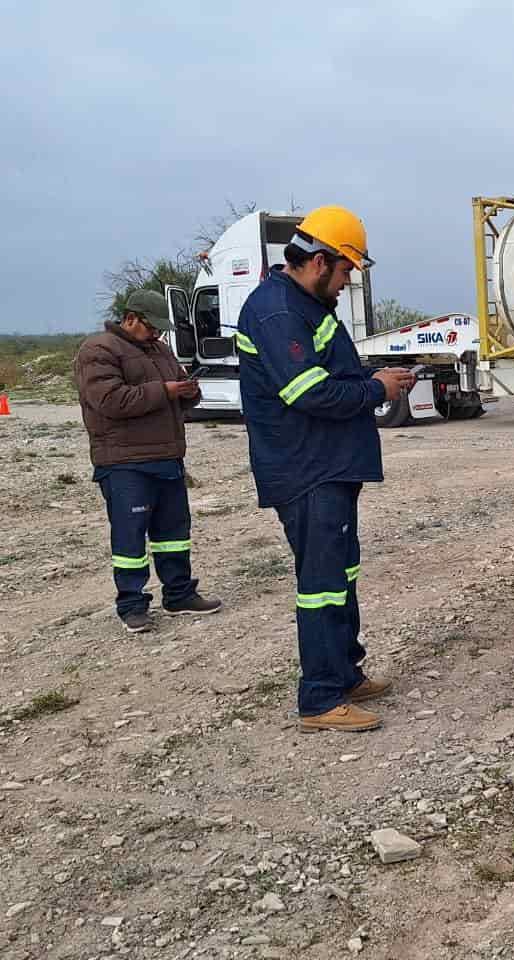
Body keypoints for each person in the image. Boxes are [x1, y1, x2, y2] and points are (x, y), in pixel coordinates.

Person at [236, 206, 415, 734]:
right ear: (318, 262)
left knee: (341, 577)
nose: (346, 283)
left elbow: (329, 372)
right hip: (305, 470)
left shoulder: (305, 306)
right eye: (344, 272)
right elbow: (305, 391)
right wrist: (375, 389)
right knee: (320, 584)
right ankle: (319, 698)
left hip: (329, 466)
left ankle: (343, 673)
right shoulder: (277, 312)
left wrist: (372, 377)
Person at [73, 290, 223, 634]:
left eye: (159, 328)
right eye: (151, 327)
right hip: (125, 463)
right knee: (130, 539)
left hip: (167, 457)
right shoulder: (98, 350)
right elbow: (111, 401)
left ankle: (179, 594)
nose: (156, 334)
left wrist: (188, 392)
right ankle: (131, 605)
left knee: (174, 534)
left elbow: (173, 395)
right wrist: (167, 391)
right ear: (130, 318)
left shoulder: (159, 349)